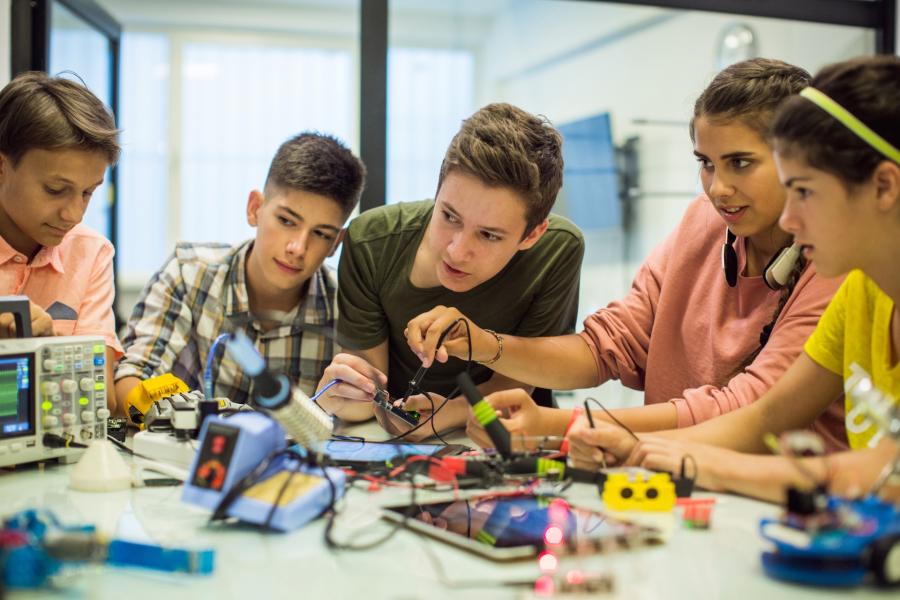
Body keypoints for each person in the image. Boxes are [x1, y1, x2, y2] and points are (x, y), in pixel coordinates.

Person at [406, 59, 844, 450]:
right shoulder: (702, 223)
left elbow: (748, 410)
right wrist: (483, 344)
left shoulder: (833, 266)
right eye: (706, 163)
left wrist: (558, 425)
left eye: (740, 163)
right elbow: (606, 347)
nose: (717, 188)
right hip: (669, 481)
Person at [569, 55, 900, 503]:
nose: (791, 217)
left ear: (884, 187)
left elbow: (882, 472)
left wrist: (675, 458)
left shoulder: (842, 282)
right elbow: (766, 417)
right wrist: (639, 450)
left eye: (804, 191)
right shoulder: (862, 294)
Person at [316, 103, 584, 440]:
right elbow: (367, 393)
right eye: (449, 216)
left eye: (488, 235)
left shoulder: (557, 250)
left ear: (531, 235)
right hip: (393, 442)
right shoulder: (372, 242)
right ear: (437, 192)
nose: (457, 251)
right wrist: (343, 395)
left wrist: (451, 413)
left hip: (505, 439)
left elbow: (520, 383)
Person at [115, 133, 365, 411]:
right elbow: (131, 382)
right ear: (255, 208)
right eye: (286, 220)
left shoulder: (346, 308)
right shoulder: (188, 274)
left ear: (335, 244)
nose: (298, 247)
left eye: (320, 234)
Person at [0, 71, 123, 411]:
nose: (74, 214)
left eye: (88, 193)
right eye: (56, 190)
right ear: (1, 167)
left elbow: (103, 403)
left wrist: (46, 349)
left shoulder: (91, 254)